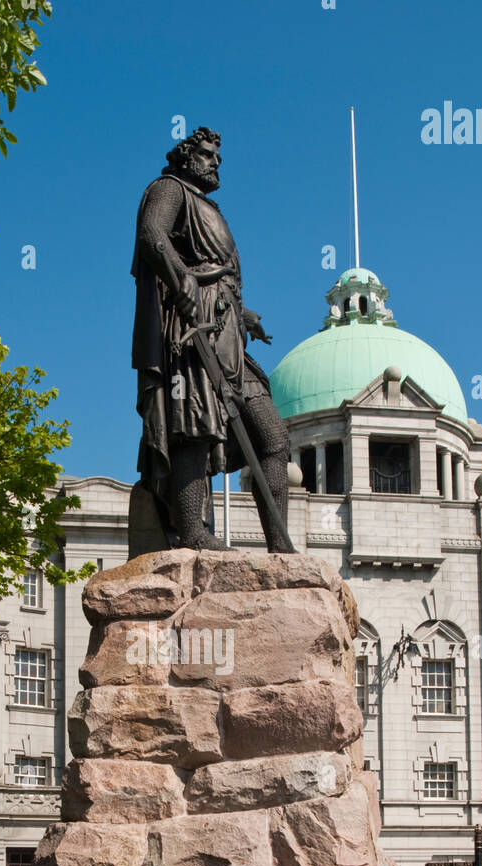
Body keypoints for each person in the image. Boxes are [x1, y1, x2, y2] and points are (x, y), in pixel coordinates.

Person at [131, 127, 291, 552]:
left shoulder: (209, 207)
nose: (214, 162)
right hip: (191, 331)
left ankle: (280, 546)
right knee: (193, 427)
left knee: (273, 439)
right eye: (205, 154)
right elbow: (151, 233)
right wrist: (179, 279)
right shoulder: (169, 189)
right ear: (185, 158)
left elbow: (218, 275)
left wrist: (243, 314)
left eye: (218, 157)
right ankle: (192, 531)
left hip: (228, 335)